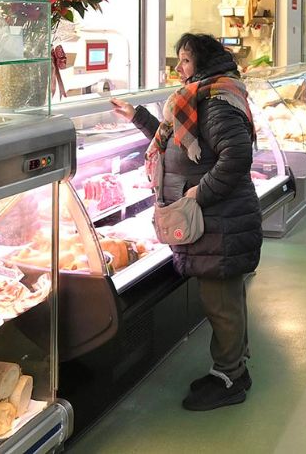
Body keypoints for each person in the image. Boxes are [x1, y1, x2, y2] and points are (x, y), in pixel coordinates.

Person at [110, 34, 262, 411]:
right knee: (227, 300)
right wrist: (137, 117)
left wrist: (197, 194)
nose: (178, 68)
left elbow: (236, 156)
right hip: (216, 222)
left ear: (204, 63)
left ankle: (229, 379)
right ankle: (234, 368)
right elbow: (177, 141)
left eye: (186, 60)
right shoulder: (195, 98)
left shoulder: (214, 101)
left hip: (219, 222)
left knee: (221, 304)